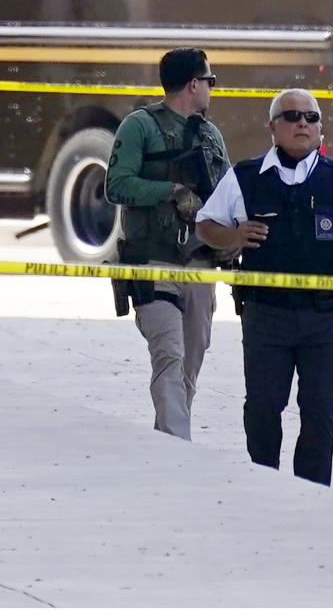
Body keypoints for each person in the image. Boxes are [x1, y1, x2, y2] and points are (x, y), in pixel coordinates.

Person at [195, 88, 333, 486]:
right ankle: (264, 486)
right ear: (272, 127)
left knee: (320, 411)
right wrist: (233, 235)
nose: (303, 123)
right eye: (292, 116)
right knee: (263, 408)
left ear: (320, 129)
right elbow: (204, 224)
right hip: (266, 316)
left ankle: (313, 494)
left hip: (326, 318)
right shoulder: (245, 178)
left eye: (311, 117)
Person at [106, 47, 231, 441]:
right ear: (194, 84)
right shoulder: (139, 126)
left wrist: (232, 237)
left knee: (189, 363)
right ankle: (179, 445)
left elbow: (229, 194)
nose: (212, 89)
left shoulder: (210, 135)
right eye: (209, 81)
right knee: (169, 353)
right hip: (152, 260)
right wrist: (171, 191)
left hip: (199, 262)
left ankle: (168, 440)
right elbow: (116, 185)